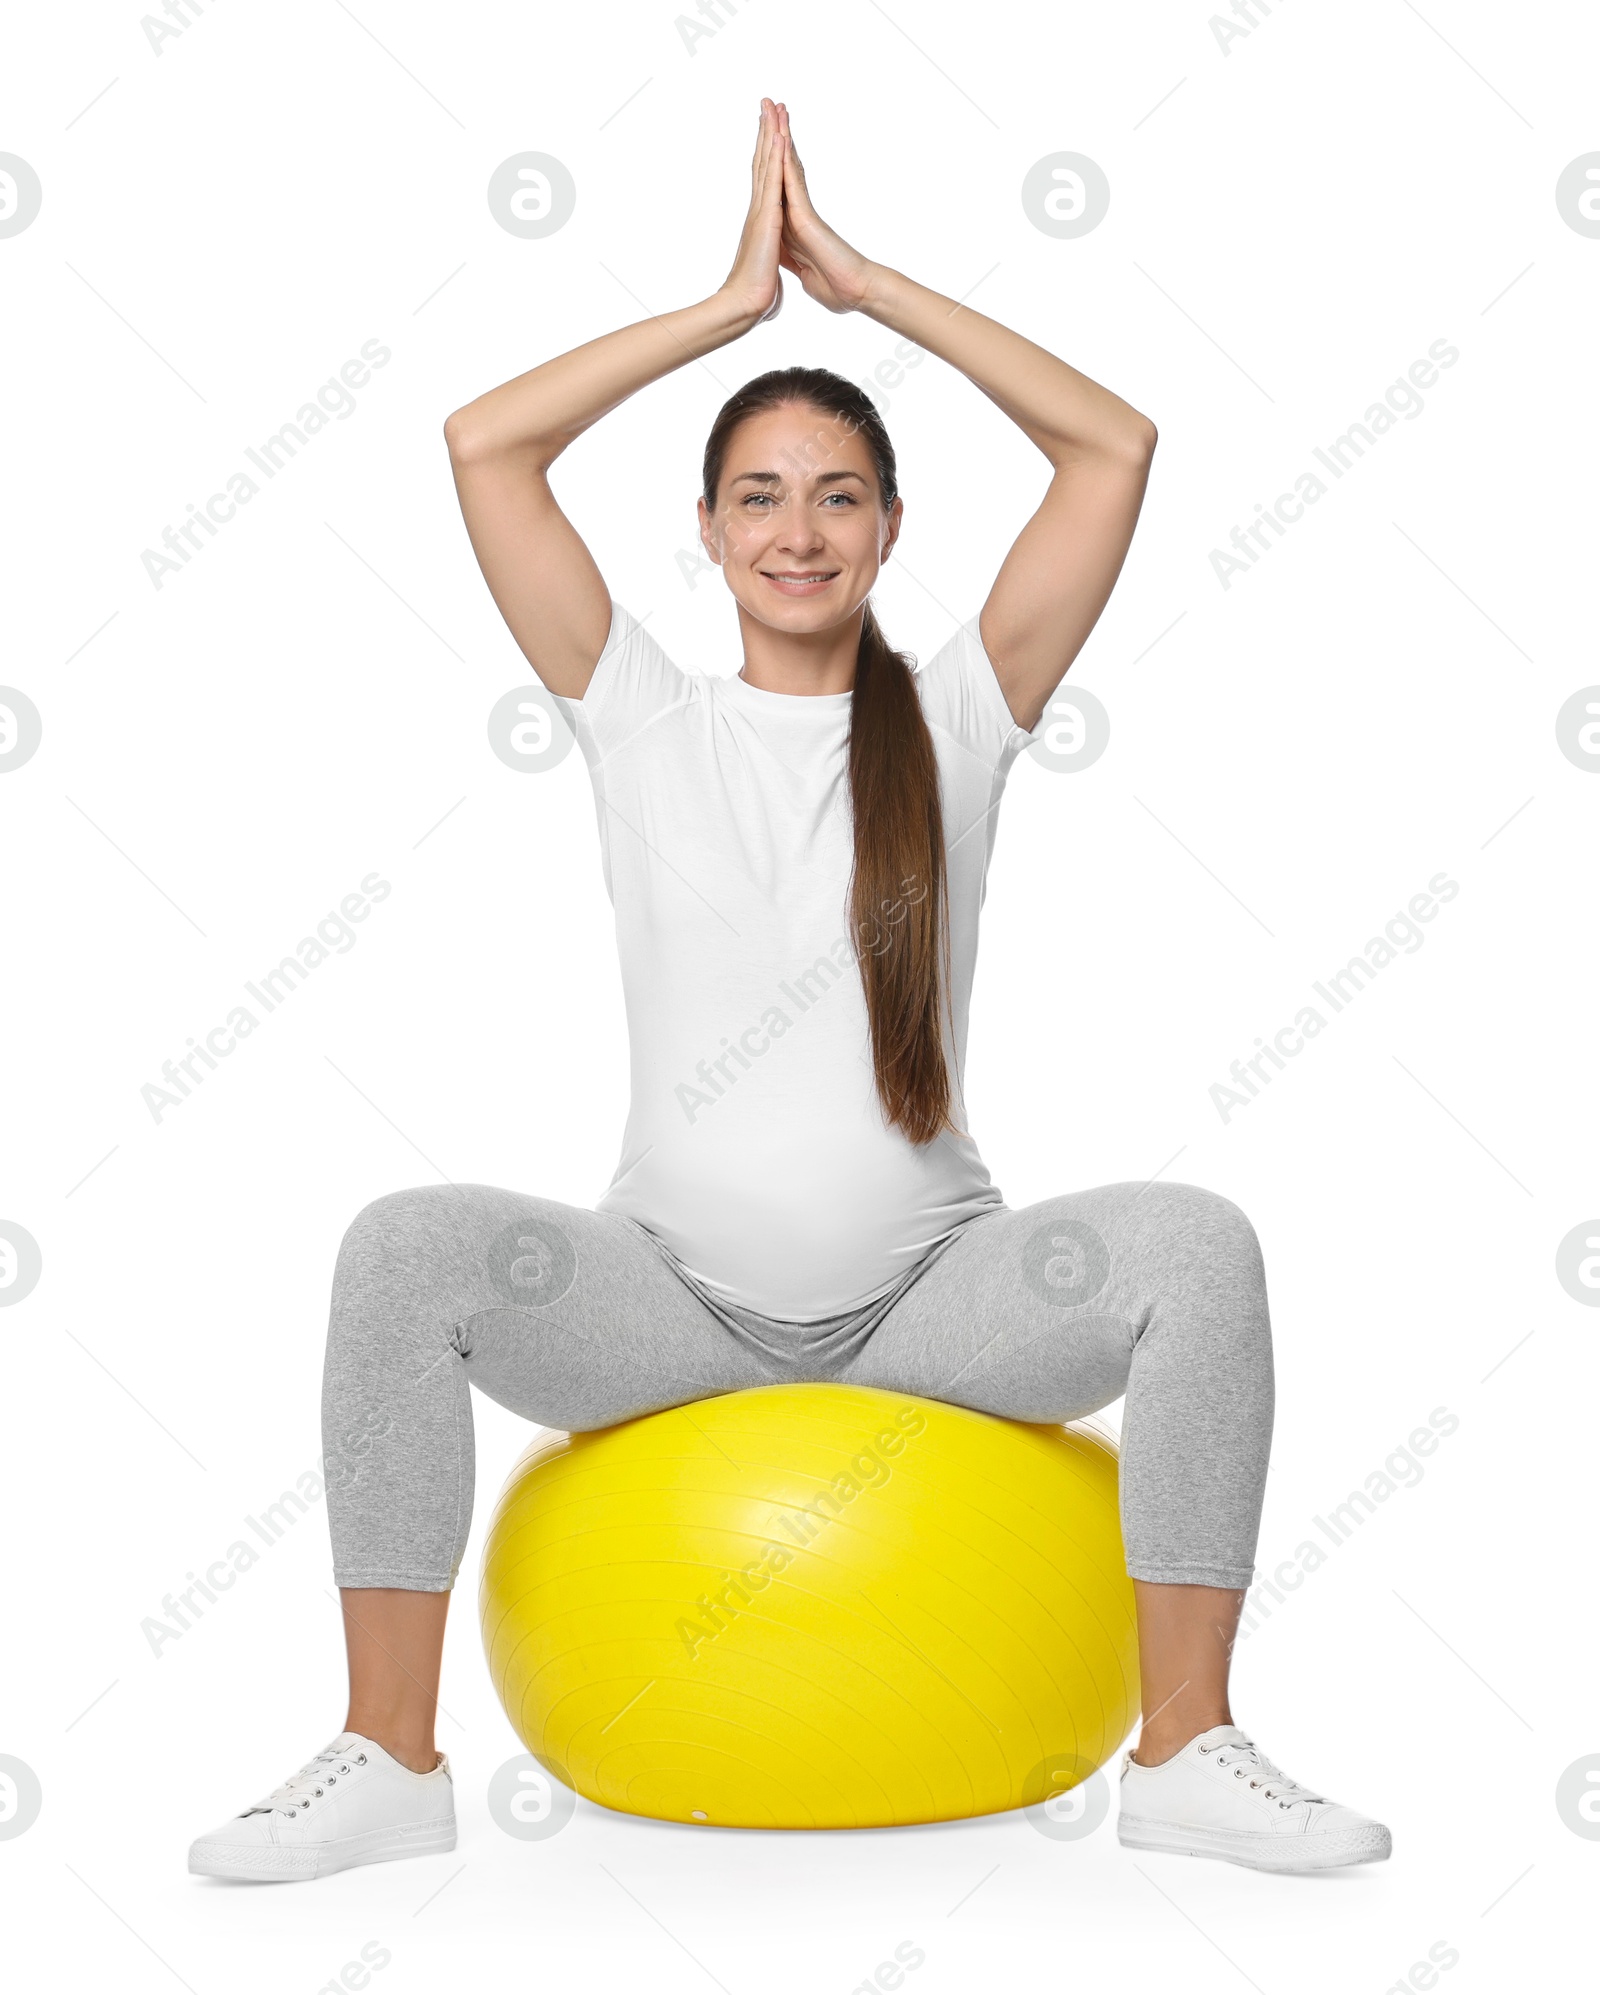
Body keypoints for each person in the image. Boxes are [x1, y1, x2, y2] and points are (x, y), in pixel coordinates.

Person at [189, 99, 1389, 1883]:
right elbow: (483, 448)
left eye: (840, 496)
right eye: (760, 497)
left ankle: (1189, 1748)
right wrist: (731, 309)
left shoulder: (962, 713)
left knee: (1197, 1249)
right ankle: (388, 1757)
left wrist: (871, 290)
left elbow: (1115, 451)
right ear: (707, 528)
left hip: (935, 1301)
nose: (799, 532)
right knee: (400, 1252)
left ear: (893, 528)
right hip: (665, 1303)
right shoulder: (642, 715)